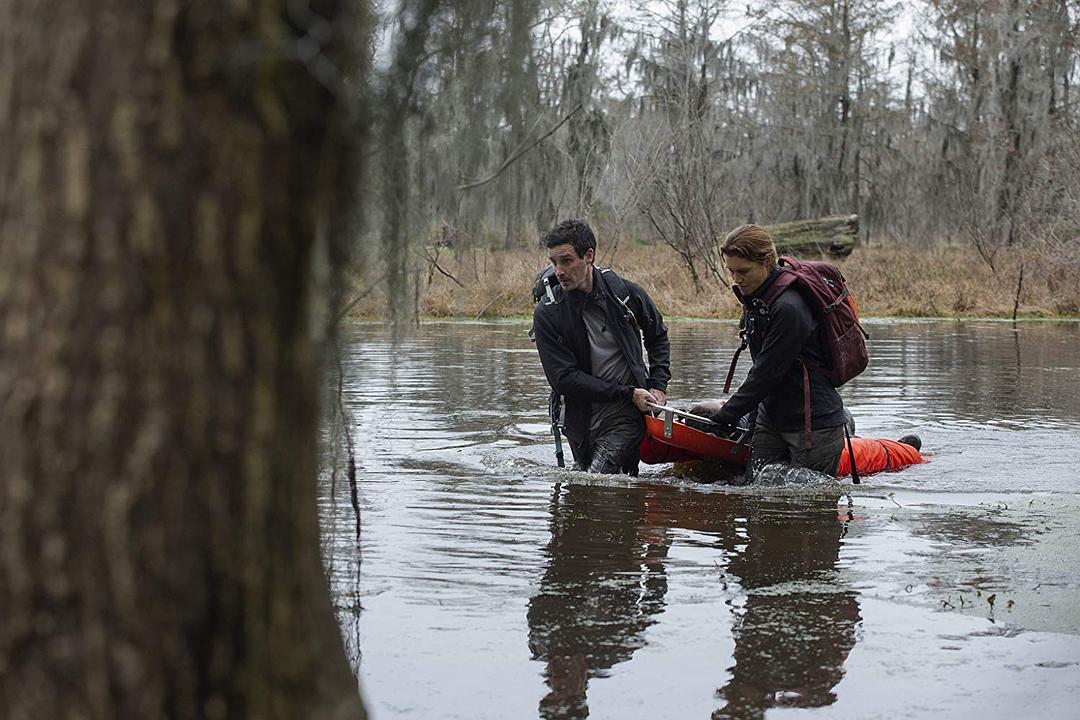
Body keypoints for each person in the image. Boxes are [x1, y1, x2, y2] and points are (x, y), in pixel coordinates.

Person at [707, 224, 848, 478]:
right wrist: (749, 419)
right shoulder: (758, 300)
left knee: (809, 501)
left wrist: (727, 415)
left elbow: (767, 372)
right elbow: (760, 368)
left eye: (743, 271)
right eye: (731, 271)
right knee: (755, 492)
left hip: (814, 426)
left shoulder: (789, 307)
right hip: (771, 419)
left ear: (766, 261)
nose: (736, 279)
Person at [532, 219, 671, 475]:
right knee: (587, 484)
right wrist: (629, 393)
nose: (559, 271)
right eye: (554, 262)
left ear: (589, 256)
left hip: (626, 412)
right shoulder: (548, 313)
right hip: (578, 417)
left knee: (598, 478)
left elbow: (658, 335)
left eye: (566, 261)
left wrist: (657, 385)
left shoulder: (625, 294)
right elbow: (564, 379)